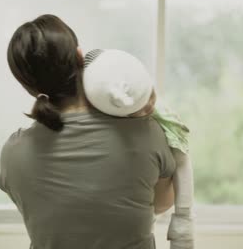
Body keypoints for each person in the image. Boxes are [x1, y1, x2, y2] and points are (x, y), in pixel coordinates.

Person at [0, 14, 176, 249]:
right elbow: (161, 203)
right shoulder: (146, 132)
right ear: (80, 56)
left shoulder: (13, 154)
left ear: (27, 86)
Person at [83, 49, 194, 249]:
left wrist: (183, 220)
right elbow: (161, 203)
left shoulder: (158, 126)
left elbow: (181, 165)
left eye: (151, 96)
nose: (150, 107)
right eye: (139, 111)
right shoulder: (146, 137)